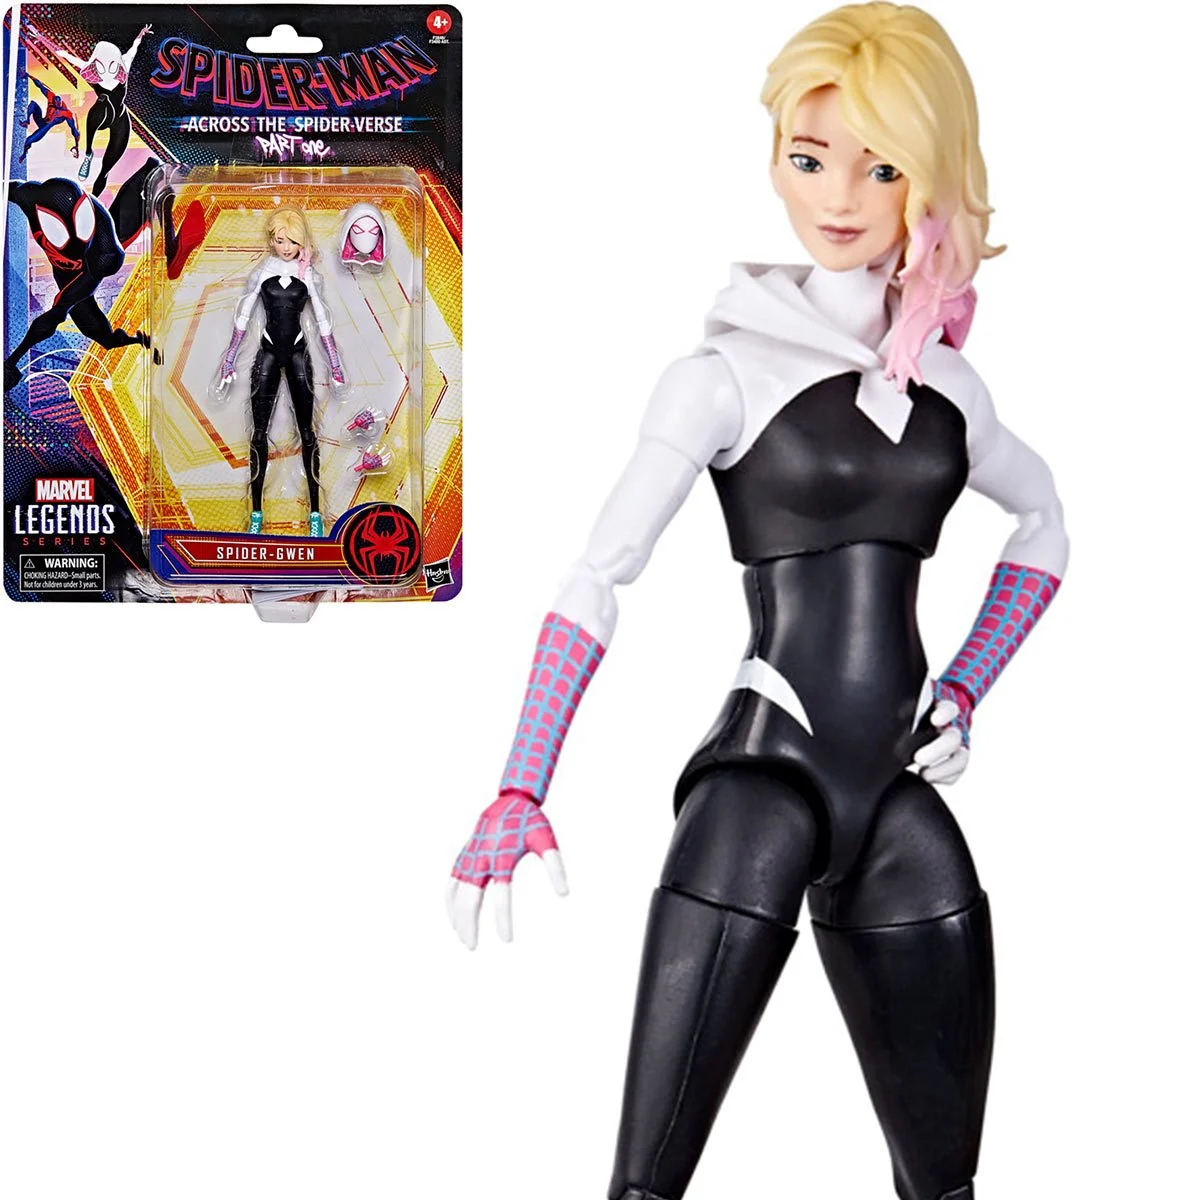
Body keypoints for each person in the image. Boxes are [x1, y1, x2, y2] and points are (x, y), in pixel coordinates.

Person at [447, 5, 1069, 1200]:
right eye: (810, 157)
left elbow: (1046, 524)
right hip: (762, 785)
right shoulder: (724, 375)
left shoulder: (951, 389)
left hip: (897, 799)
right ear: (775, 158)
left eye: (881, 167)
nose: (839, 195)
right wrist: (521, 783)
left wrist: (968, 687)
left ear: (930, 180)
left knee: (945, 1186)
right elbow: (595, 577)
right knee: (647, 1184)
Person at [217, 208, 346, 537]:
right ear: (271, 240)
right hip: (269, 353)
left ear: (301, 241)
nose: (286, 247)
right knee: (258, 433)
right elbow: (243, 315)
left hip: (299, 354)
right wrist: (229, 358)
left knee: (308, 433)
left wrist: (335, 363)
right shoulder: (263, 271)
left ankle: (315, 513)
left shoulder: (309, 274)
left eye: (292, 241)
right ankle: (256, 512)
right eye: (280, 240)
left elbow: (323, 319)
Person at [20, 74, 80, 161]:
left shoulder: (66, 113)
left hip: (45, 127)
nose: (57, 107)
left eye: (58, 106)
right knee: (33, 104)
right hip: (42, 121)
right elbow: (40, 86)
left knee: (28, 141)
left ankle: (24, 154)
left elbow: (73, 129)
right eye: (55, 104)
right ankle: (27, 121)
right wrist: (28, 75)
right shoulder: (51, 96)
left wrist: (76, 145)